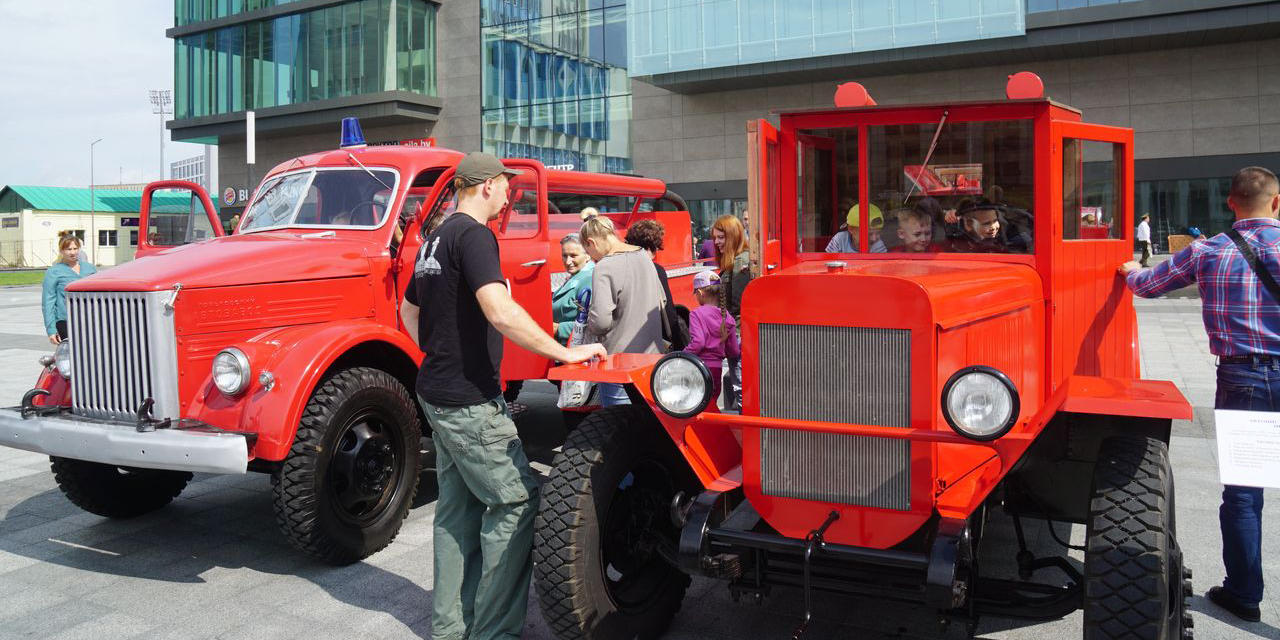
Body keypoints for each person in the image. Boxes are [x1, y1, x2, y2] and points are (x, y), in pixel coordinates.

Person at [398, 152, 606, 640]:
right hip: (469, 400)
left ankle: (451, 628)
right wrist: (565, 353)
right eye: (506, 186)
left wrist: (437, 351)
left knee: (457, 511)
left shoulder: (435, 238)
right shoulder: (474, 235)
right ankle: (493, 632)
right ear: (486, 185)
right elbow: (499, 310)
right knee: (515, 503)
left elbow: (408, 310)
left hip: (437, 391)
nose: (511, 194)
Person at [1119, 166, 1280, 624]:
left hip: (1243, 378)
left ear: (1230, 203)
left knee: (1245, 495)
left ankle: (1245, 594)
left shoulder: (1208, 251)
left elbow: (1144, 286)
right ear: (1277, 202)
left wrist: (1131, 268)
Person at [580, 212, 667, 406]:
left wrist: (588, 321)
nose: (591, 258)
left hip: (618, 361)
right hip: (652, 358)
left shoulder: (605, 266)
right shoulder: (644, 257)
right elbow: (662, 302)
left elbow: (601, 322)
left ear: (591, 243)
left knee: (619, 425)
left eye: (588, 251)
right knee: (648, 419)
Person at [625, 218, 688, 350]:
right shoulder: (656, 270)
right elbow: (667, 310)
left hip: (623, 343)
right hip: (650, 343)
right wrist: (677, 341)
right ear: (651, 248)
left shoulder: (620, 268)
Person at [712, 214, 752, 410]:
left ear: (733, 236)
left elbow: (738, 304)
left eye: (721, 237)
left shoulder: (740, 262)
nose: (717, 242)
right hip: (735, 333)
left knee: (741, 387)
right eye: (715, 238)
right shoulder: (735, 261)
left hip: (738, 334)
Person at [684, 270, 740, 411]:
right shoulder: (727, 317)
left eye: (696, 293)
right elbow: (734, 351)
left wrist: (683, 354)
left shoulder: (696, 314)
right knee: (712, 407)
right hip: (716, 370)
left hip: (699, 370)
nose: (696, 297)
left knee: (695, 407)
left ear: (701, 292)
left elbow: (698, 342)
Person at [42, 234, 97, 344]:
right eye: (68, 249)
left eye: (75, 248)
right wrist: (51, 330)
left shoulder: (90, 268)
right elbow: (48, 302)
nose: (73, 252)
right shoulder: (53, 272)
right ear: (61, 251)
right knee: (71, 355)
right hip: (65, 321)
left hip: (90, 320)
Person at [552, 233, 593, 343]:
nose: (567, 261)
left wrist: (559, 329)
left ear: (588, 255)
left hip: (575, 348)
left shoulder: (589, 279)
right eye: (564, 255)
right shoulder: (578, 276)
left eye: (573, 256)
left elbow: (593, 323)